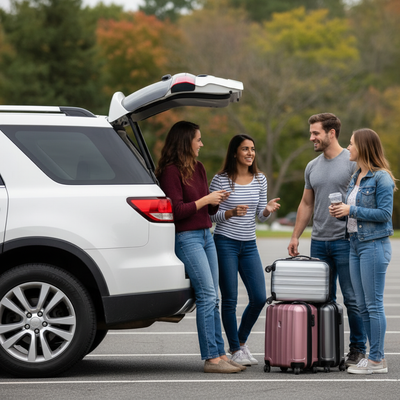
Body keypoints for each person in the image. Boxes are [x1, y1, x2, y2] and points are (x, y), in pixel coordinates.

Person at [155, 121, 243, 374]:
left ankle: (220, 353)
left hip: (206, 235)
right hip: (187, 238)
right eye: (198, 140)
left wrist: (218, 200)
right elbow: (176, 210)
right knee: (206, 295)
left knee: (213, 296)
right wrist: (206, 199)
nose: (202, 144)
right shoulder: (171, 172)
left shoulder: (199, 168)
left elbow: (209, 209)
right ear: (186, 142)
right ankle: (210, 359)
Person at [287, 113, 367, 367]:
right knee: (322, 299)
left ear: (331, 133)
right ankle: (326, 350)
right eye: (311, 133)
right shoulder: (312, 166)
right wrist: (295, 236)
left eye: (315, 133)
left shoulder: (353, 162)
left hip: (346, 241)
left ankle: (358, 350)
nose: (311, 138)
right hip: (319, 242)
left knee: (352, 298)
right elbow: (306, 203)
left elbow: (365, 198)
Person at [209, 134, 280, 366]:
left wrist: (267, 210)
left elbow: (259, 214)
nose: (250, 153)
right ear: (234, 153)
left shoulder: (260, 179)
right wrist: (229, 213)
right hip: (225, 243)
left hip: (249, 244)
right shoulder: (220, 180)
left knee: (259, 297)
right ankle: (235, 349)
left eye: (253, 149)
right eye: (245, 149)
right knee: (229, 299)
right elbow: (209, 215)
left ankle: (240, 342)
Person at [329, 128, 396, 374]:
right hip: (355, 244)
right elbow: (352, 212)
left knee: (373, 304)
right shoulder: (357, 175)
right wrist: (341, 213)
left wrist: (351, 210)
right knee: (364, 305)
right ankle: (372, 357)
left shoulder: (382, 178)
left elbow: (384, 215)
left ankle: (377, 360)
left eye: (351, 144)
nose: (348, 148)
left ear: (364, 147)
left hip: (374, 246)